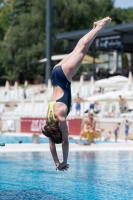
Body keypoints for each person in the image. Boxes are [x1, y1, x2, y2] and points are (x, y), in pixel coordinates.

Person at [42, 17, 112, 171]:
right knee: (78, 48)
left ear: (59, 133)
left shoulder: (60, 119)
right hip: (56, 73)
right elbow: (51, 145)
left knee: (82, 47)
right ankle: (94, 28)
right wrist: (56, 163)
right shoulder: (49, 119)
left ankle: (99, 26)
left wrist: (64, 161)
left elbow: (65, 142)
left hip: (63, 77)